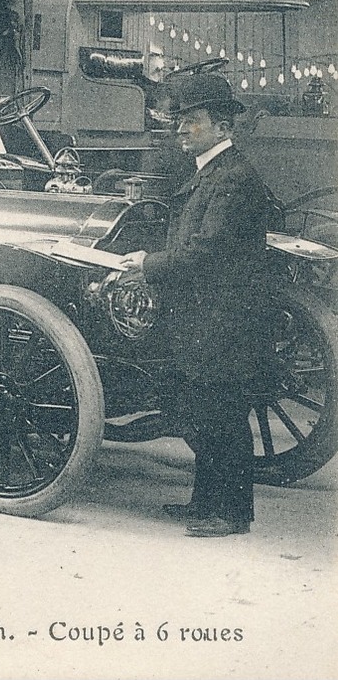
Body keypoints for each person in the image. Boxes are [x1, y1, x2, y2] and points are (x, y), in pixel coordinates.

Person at [119, 73, 280, 537]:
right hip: (209, 316)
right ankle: (206, 502)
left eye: (192, 121)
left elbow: (205, 252)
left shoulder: (230, 179)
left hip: (224, 320)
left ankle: (231, 514)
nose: (181, 129)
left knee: (223, 417)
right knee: (207, 412)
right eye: (180, 121)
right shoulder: (216, 172)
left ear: (223, 127)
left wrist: (150, 263)